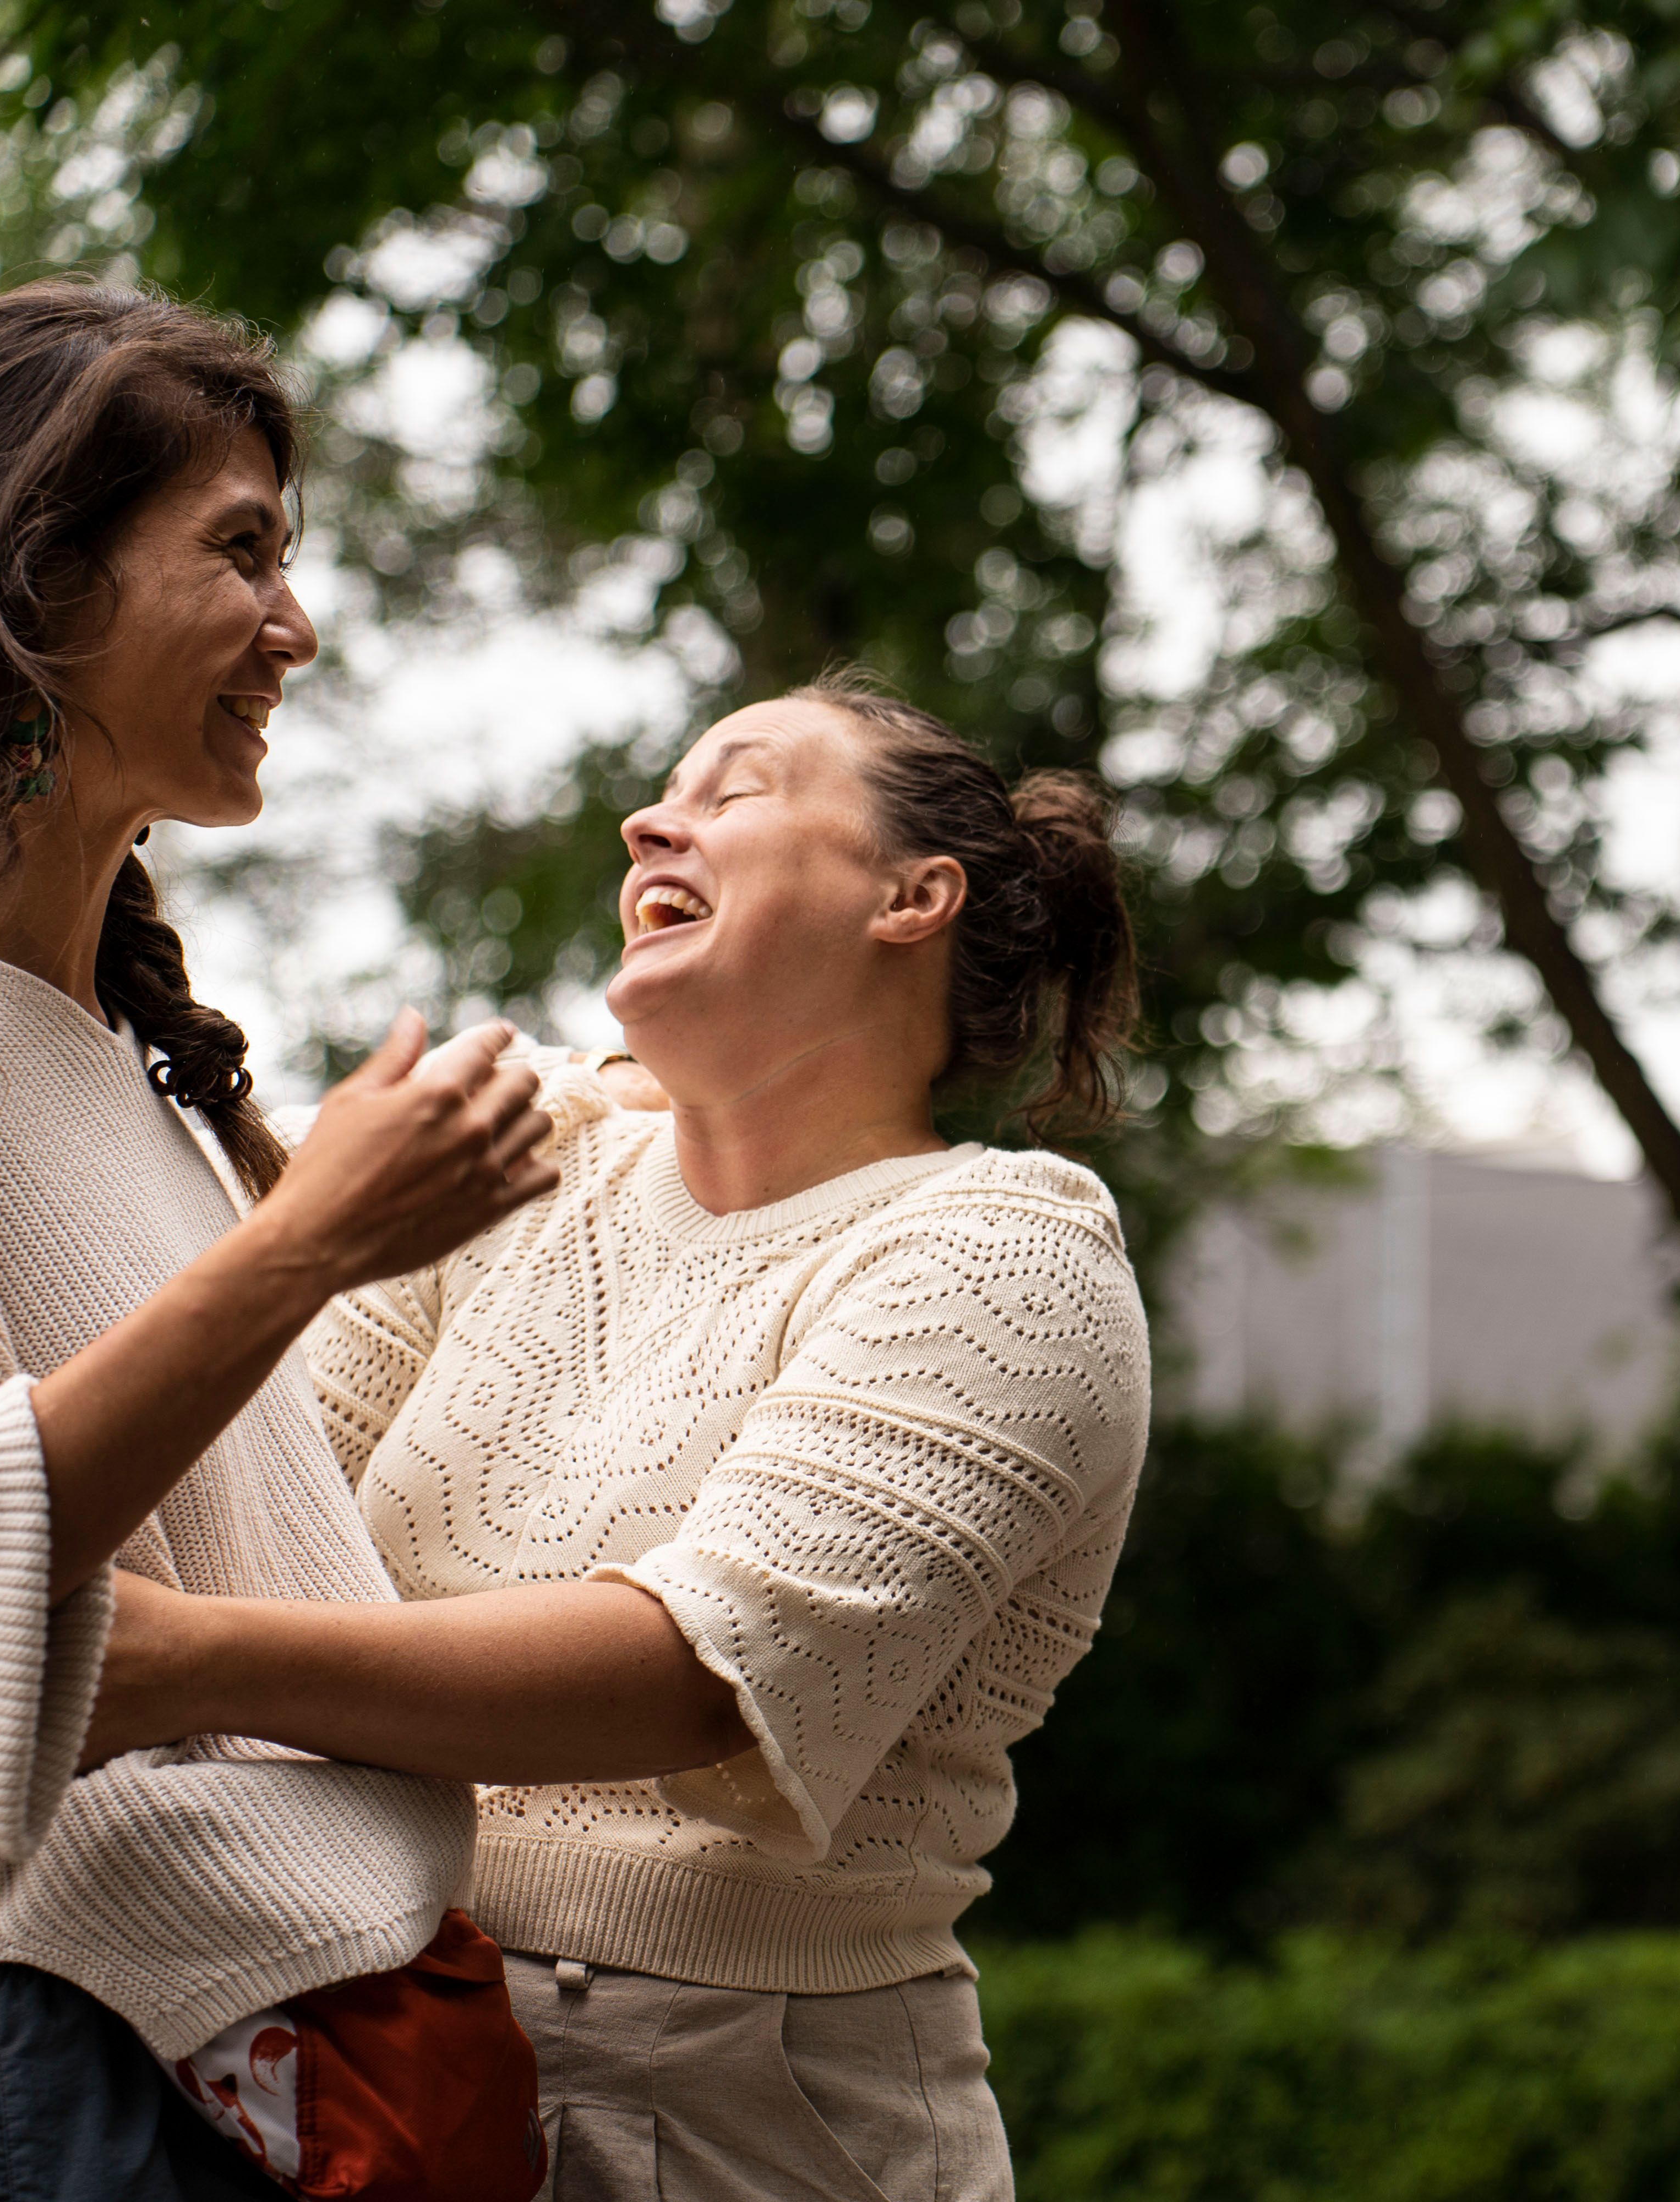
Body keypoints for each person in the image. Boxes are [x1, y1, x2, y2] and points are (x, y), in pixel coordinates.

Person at [80, 672, 1154, 2200]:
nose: (654, 817)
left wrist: (171, 1664)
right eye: (668, 789)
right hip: (350, 2034)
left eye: (739, 790)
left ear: (913, 898)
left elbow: (691, 1672)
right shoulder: (526, 1156)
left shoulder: (1007, 1255)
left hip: (734, 2112)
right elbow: (241, 1498)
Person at [0, 280, 566, 2198]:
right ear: (40, 580)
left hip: (237, 2077)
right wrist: (303, 1252)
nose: (299, 625)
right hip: (29, 2072)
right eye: (242, 551)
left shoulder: (149, 1074)